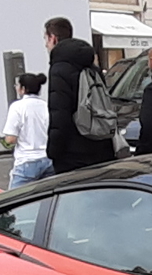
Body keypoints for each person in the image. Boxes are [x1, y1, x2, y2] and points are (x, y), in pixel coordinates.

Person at [43, 16, 116, 174]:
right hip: (101, 146)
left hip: (73, 154)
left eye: (45, 39)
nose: (45, 45)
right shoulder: (92, 66)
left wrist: (53, 151)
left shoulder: (59, 68)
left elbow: (59, 115)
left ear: (53, 38)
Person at [0, 72, 50, 187]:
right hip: (47, 159)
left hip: (26, 161)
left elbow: (10, 139)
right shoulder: (46, 105)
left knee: (15, 200)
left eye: (17, 85)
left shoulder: (17, 107)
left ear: (23, 89)